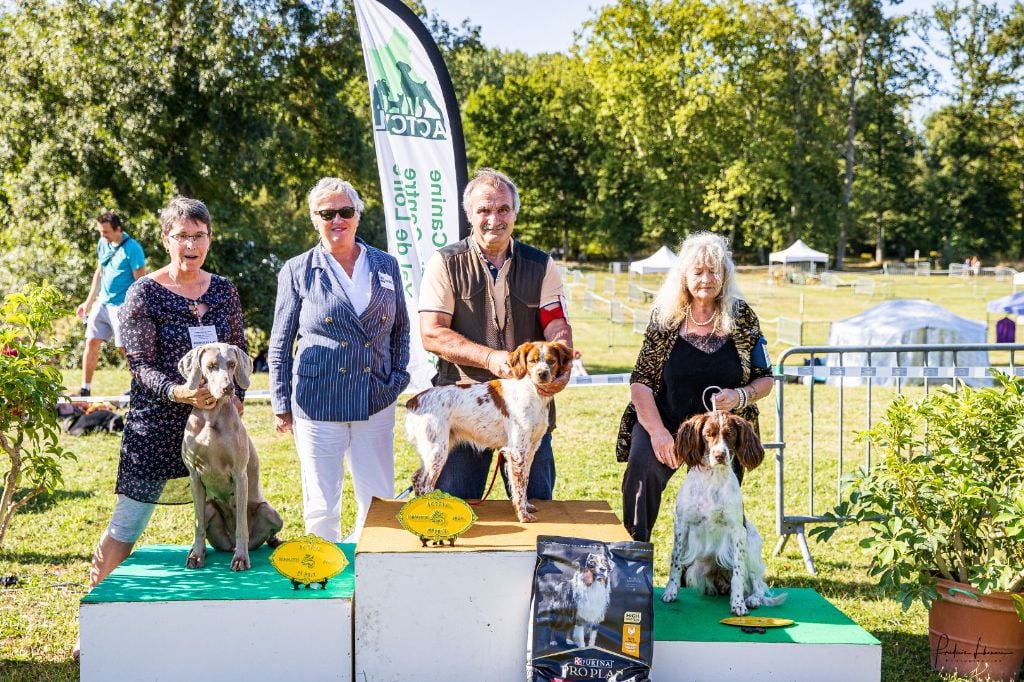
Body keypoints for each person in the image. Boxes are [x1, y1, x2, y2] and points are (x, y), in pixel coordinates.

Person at [77, 197, 246, 660]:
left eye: (199, 235)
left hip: (217, 430)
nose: (191, 245)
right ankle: (89, 623)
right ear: (165, 239)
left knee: (233, 519)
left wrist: (237, 407)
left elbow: (241, 355)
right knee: (127, 525)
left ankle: (231, 633)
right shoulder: (144, 293)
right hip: (156, 427)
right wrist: (182, 394)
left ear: (209, 239)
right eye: (181, 236)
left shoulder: (225, 291)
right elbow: (141, 366)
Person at [269, 178, 409, 543]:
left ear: (358, 216)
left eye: (345, 212)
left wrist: (396, 380)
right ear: (315, 219)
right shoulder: (297, 270)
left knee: (379, 498)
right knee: (321, 503)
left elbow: (402, 330)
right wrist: (281, 403)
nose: (337, 220)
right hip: (317, 400)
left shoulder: (385, 265)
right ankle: (322, 575)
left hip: (375, 397)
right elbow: (280, 343)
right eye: (327, 213)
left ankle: (373, 570)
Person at [419, 167, 573, 501]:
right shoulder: (445, 263)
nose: (494, 219)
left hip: (529, 407)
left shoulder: (541, 265)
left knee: (536, 509)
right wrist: (490, 358)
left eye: (503, 209)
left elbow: (556, 323)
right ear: (469, 215)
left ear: (515, 213)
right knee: (454, 512)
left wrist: (562, 362)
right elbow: (432, 333)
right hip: (463, 408)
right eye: (484, 210)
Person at [616, 231, 774, 542]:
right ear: (684, 276)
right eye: (698, 271)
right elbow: (641, 382)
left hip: (722, 431)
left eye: (714, 270)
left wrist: (741, 396)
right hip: (667, 422)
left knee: (719, 508)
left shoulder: (742, 316)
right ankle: (633, 561)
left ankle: (710, 574)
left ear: (725, 275)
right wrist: (658, 433)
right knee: (642, 471)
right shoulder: (665, 318)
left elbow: (765, 377)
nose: (706, 278)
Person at [75, 211, 147, 396]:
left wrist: (137, 310)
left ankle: (139, 386)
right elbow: (99, 273)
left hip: (123, 306)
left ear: (118, 229)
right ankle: (85, 388)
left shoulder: (133, 249)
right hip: (103, 303)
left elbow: (141, 282)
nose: (102, 236)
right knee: (91, 342)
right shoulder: (103, 244)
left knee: (125, 348)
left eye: (105, 232)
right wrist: (88, 302)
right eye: (100, 232)